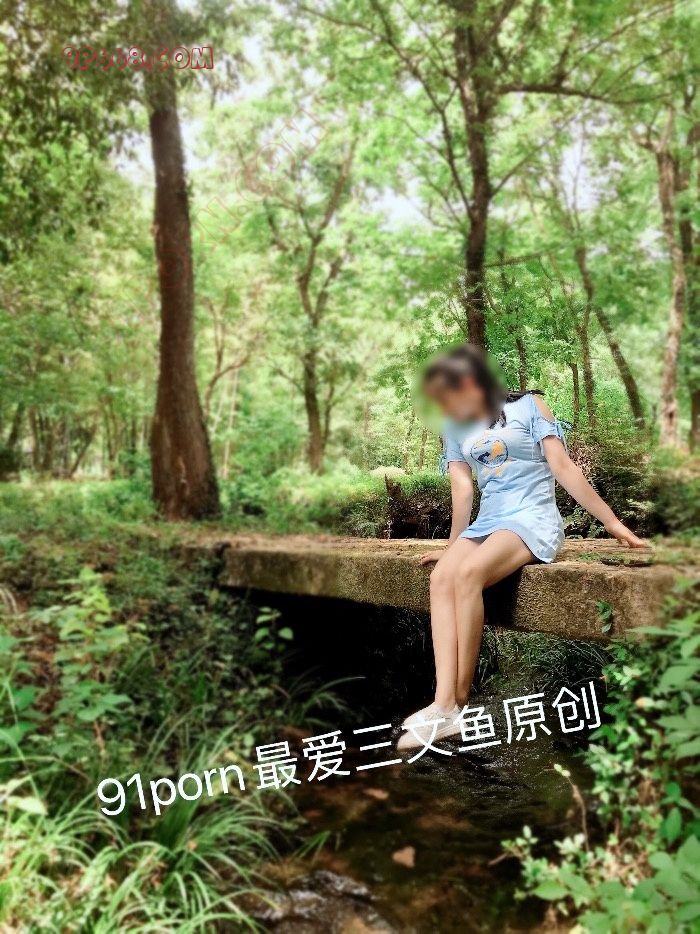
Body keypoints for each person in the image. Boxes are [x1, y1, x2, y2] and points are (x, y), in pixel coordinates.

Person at [397, 344, 646, 752]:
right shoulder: (454, 426)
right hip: (488, 521)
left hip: (531, 518)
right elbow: (463, 490)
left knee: (468, 574)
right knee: (443, 576)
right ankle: (442, 704)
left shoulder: (529, 405)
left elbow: (562, 467)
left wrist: (612, 522)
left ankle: (456, 706)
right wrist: (453, 546)